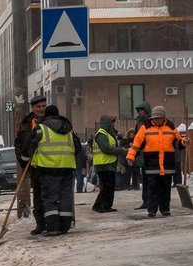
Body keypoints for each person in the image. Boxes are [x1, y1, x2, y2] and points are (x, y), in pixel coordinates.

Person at [22, 105, 81, 236]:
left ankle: (53, 226)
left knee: (50, 198)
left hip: (49, 169)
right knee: (66, 197)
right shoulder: (68, 129)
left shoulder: (41, 128)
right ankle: (65, 225)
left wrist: (25, 158)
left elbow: (28, 149)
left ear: (46, 115)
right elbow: (77, 148)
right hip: (67, 168)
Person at [126, 106, 189, 217]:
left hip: (167, 164)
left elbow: (177, 142)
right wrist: (131, 156)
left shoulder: (170, 127)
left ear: (164, 117)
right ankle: (152, 210)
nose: (157, 120)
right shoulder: (145, 127)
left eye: (159, 118)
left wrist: (184, 142)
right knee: (152, 189)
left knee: (165, 189)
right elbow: (136, 144)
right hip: (152, 164)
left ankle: (165, 209)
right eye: (155, 118)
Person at [15, 95, 47, 234]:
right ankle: (40, 223)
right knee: (39, 196)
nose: (41, 109)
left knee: (50, 195)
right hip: (35, 166)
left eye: (43, 106)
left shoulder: (51, 120)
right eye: (38, 107)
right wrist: (23, 161)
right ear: (33, 108)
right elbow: (19, 142)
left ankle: (53, 222)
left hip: (51, 164)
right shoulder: (27, 122)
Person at [91, 116, 128, 213]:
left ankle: (107, 206)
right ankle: (98, 206)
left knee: (110, 186)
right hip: (103, 164)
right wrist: (121, 151)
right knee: (106, 187)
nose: (113, 125)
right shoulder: (101, 134)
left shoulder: (108, 133)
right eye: (112, 122)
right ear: (107, 123)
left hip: (109, 164)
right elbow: (106, 148)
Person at [133, 101, 151, 209]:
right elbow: (137, 139)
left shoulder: (150, 122)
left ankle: (152, 200)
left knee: (151, 179)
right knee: (145, 179)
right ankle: (145, 201)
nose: (140, 112)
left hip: (150, 154)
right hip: (142, 154)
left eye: (142, 110)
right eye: (139, 111)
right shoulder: (139, 123)